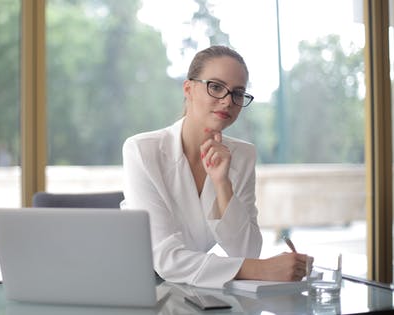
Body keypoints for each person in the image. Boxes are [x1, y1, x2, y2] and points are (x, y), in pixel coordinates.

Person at [121, 45, 310, 289]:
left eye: (238, 93)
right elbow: (166, 260)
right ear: (188, 89)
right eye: (216, 87)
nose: (227, 101)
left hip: (194, 291)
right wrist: (261, 269)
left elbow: (246, 250)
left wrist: (223, 184)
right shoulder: (141, 150)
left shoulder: (242, 155)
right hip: (138, 289)